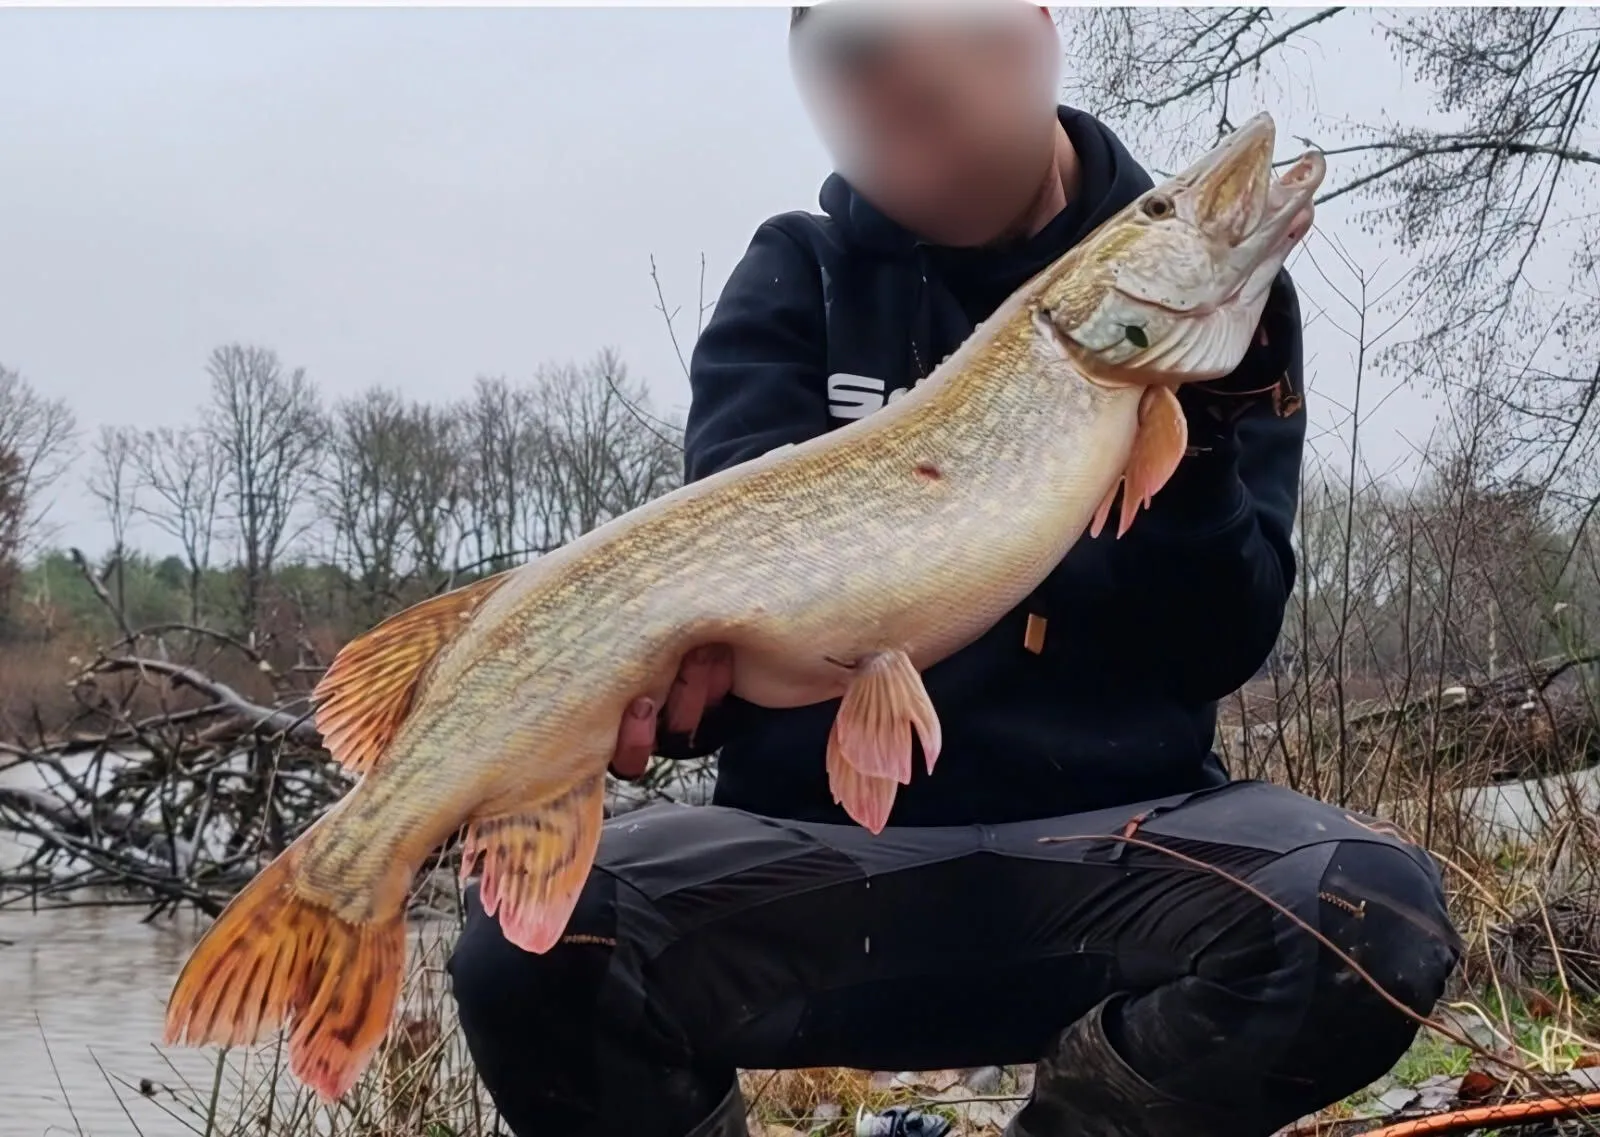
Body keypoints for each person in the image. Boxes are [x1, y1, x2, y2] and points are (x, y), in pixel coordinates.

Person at [447, 6, 1461, 1137]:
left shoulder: (1216, 318)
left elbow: (1220, 640)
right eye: (868, 116)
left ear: (1029, 32)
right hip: (816, 873)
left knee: (1363, 913)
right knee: (528, 945)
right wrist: (665, 707)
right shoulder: (799, 277)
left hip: (1120, 858)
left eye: (930, 103)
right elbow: (732, 630)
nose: (904, 147)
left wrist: (1196, 452)